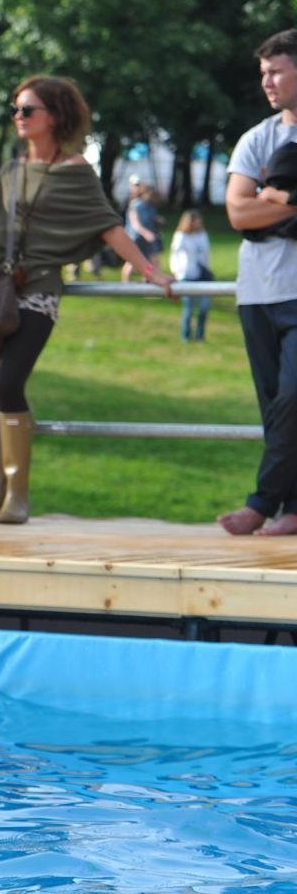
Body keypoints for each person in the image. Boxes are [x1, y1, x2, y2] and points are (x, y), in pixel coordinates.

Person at [0, 76, 172, 525]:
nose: (19, 117)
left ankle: (18, 497)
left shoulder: (76, 171)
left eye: (29, 110)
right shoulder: (8, 172)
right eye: (17, 110)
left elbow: (109, 226)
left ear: (55, 116)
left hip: (38, 290)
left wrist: (150, 270)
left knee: (9, 382)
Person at [220, 29, 297, 537]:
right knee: (274, 405)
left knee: (293, 397)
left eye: (277, 71)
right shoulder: (258, 138)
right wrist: (286, 206)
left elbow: (255, 209)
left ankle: (262, 500)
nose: (267, 82)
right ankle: (292, 508)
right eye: (263, 73)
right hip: (258, 291)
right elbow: (236, 212)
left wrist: (268, 202)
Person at [171, 209, 213, 342]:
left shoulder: (202, 235)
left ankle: (200, 335)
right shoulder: (181, 236)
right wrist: (177, 272)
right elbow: (175, 255)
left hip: (201, 274)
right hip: (186, 275)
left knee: (204, 307)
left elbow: (206, 253)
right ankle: (186, 336)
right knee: (188, 309)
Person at [122, 180, 162, 283]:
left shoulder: (150, 206)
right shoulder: (136, 205)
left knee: (153, 262)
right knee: (133, 261)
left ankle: (150, 283)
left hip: (149, 238)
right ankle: (125, 285)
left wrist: (158, 220)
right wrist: (146, 233)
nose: (150, 195)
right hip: (136, 238)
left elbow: (151, 219)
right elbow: (135, 224)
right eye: (148, 193)